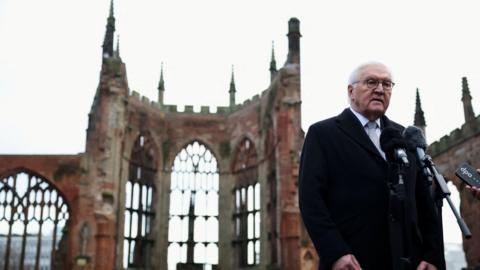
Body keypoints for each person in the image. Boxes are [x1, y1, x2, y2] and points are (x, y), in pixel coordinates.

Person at [298, 62, 444, 270]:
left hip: (409, 262)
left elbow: (424, 203)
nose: (379, 89)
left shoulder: (404, 136)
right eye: (371, 82)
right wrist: (336, 252)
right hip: (354, 262)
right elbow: (311, 201)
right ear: (351, 91)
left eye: (387, 84)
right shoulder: (323, 134)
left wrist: (432, 254)